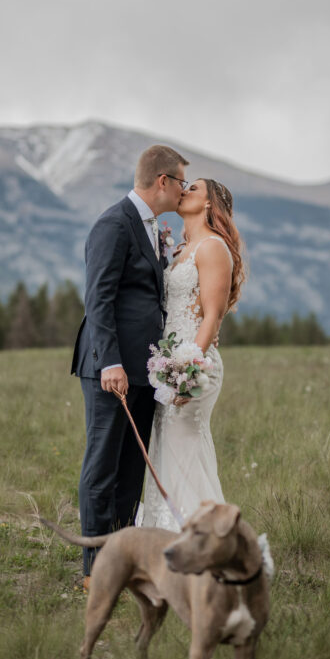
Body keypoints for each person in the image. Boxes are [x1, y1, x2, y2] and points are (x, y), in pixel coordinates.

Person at [71, 145, 189, 586]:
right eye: (180, 182)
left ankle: (120, 561)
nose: (183, 191)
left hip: (145, 370)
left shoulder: (153, 227)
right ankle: (95, 571)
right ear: (163, 182)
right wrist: (111, 362)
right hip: (111, 367)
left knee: (130, 469)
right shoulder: (113, 223)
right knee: (102, 467)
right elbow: (98, 298)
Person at [137, 178, 246, 530]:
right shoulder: (184, 249)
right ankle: (170, 537)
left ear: (210, 204)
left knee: (184, 455)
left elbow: (213, 315)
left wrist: (188, 371)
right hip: (169, 367)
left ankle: (203, 540)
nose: (184, 191)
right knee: (168, 454)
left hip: (192, 368)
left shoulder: (213, 247)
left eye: (194, 188)